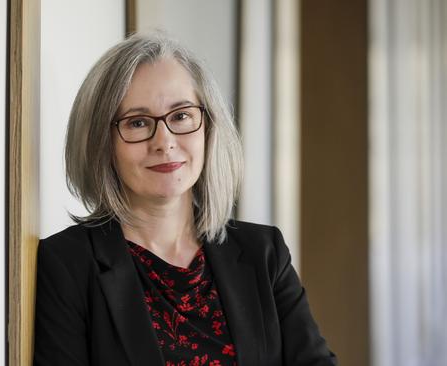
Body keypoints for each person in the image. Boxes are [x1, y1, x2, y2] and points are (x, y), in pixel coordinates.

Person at [34, 32, 337, 366]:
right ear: (101, 142)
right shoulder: (67, 264)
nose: (164, 142)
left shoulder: (263, 254)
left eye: (180, 116)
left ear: (208, 127)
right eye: (137, 122)